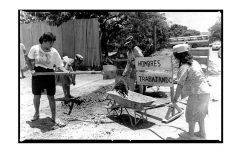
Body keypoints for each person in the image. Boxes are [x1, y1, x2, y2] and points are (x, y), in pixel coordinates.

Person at [26, 32, 69, 122]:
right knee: (37, 95)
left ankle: (53, 116)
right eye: (50, 42)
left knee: (51, 96)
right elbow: (28, 60)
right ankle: (36, 113)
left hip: (49, 74)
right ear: (44, 41)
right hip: (37, 74)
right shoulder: (35, 49)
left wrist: (66, 72)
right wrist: (31, 70)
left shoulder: (54, 52)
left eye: (52, 42)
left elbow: (59, 66)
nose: (52, 44)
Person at [172, 44, 211, 140]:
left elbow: (180, 84)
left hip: (197, 93)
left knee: (191, 113)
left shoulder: (184, 66)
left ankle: (191, 135)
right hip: (205, 91)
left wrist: (175, 99)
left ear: (178, 56)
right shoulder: (194, 62)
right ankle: (202, 133)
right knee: (200, 113)